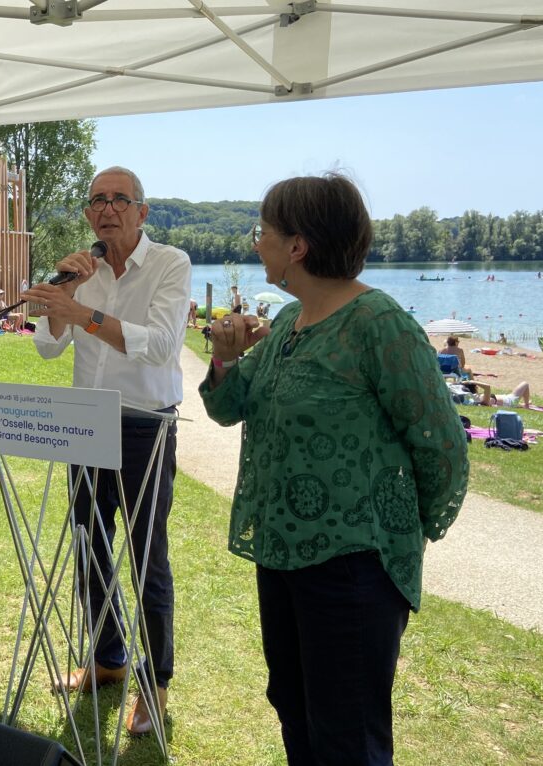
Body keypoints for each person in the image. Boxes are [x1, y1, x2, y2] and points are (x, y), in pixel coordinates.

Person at [199, 174, 469, 764]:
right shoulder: (290, 325)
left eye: (261, 232)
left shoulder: (379, 324)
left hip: (353, 568)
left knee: (348, 732)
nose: (255, 242)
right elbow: (227, 408)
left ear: (297, 246)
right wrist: (224, 359)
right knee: (295, 707)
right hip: (282, 555)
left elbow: (442, 445)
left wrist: (398, 528)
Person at [22, 166, 190, 736]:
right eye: (98, 200)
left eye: (120, 199)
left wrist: (85, 316)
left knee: (147, 557)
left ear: (142, 212)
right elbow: (47, 348)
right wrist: (63, 294)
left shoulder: (170, 264)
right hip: (84, 423)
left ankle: (155, 682)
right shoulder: (82, 270)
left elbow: (162, 345)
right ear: (89, 214)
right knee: (91, 545)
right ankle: (109, 659)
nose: (107, 208)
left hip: (146, 425)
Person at [463, 380, 531, 407]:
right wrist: (471, 381)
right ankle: (526, 405)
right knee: (525, 384)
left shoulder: (475, 399)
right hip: (510, 401)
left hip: (507, 399)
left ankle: (522, 404)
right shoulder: (482, 398)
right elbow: (487, 387)